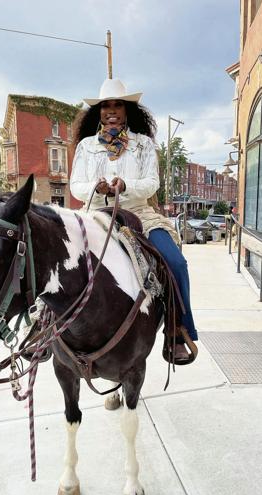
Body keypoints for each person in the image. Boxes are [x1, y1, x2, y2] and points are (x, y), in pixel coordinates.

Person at [70, 77, 198, 362]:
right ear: (98, 112)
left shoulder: (143, 145)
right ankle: (42, 326)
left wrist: (124, 185)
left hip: (139, 215)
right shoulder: (86, 146)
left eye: (118, 105)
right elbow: (75, 185)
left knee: (175, 262)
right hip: (95, 214)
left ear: (128, 110)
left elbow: (152, 182)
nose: (112, 110)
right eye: (106, 106)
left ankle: (177, 331)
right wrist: (96, 187)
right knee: (55, 255)